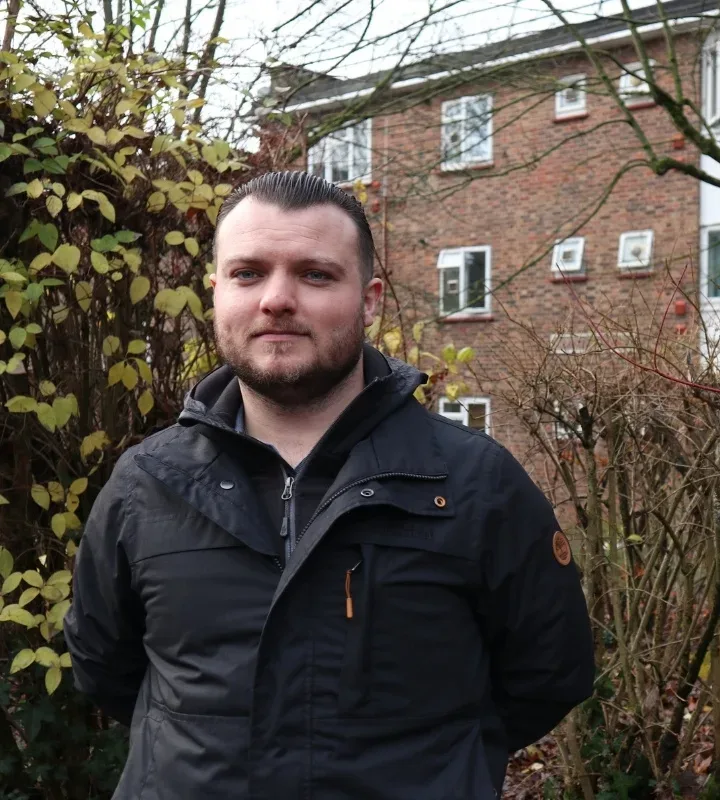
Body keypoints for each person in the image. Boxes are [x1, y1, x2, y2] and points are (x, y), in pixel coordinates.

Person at [64, 171, 594, 800]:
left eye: (315, 274)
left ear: (369, 301)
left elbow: (549, 674)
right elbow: (105, 667)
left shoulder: (475, 483)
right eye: (247, 273)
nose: (277, 299)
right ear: (215, 292)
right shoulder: (146, 484)